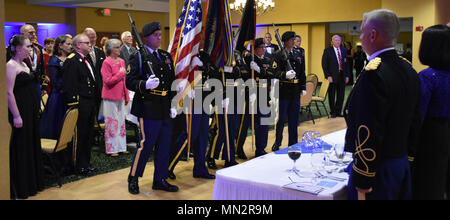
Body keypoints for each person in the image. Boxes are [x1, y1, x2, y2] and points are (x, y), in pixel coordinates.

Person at [344, 9, 421, 200]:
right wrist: (409, 158)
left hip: (378, 170)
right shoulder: (408, 69)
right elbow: (415, 120)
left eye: (362, 33)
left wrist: (363, 176)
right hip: (401, 163)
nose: (361, 37)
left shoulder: (374, 74)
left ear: (372, 34)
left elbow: (368, 128)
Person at [127, 22, 178, 194]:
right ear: (146, 37)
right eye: (156, 35)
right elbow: (129, 81)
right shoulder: (138, 56)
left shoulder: (165, 55)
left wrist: (173, 102)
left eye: (160, 34)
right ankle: (133, 178)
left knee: (164, 145)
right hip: (147, 106)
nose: (159, 37)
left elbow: (171, 80)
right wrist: (144, 84)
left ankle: (160, 179)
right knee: (146, 145)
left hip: (164, 106)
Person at [412, 24, 450, 200]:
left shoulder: (428, 76)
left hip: (430, 135)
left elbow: (418, 114)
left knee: (427, 182)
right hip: (446, 131)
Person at [168, 50, 216, 180]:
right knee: (189, 135)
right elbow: (179, 73)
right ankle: (168, 166)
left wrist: (202, 66)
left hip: (204, 98)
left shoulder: (204, 54)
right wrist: (187, 88)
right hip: (190, 99)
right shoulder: (187, 50)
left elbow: (213, 71)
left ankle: (200, 168)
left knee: (202, 136)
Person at [7, 35, 44, 199]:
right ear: (17, 48)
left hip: (31, 111)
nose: (31, 49)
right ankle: (22, 186)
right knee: (22, 147)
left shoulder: (24, 64)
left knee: (31, 144)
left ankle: (33, 182)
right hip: (20, 111)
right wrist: (16, 115)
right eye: (28, 46)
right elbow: (8, 92)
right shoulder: (10, 65)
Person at [63, 33, 102, 176]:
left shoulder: (86, 59)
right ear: (78, 45)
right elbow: (70, 84)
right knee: (80, 135)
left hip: (90, 102)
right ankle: (77, 165)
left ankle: (86, 163)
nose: (90, 44)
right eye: (87, 42)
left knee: (88, 135)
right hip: (80, 103)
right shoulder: (72, 60)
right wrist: (74, 105)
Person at [235, 38, 274, 158]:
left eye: (264, 47)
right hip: (249, 95)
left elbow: (271, 73)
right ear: (255, 49)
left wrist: (259, 69)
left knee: (263, 123)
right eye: (261, 47)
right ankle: (239, 148)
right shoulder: (247, 59)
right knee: (244, 124)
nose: (263, 49)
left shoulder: (268, 59)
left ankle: (260, 148)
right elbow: (243, 75)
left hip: (263, 95)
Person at [271, 31, 306, 150]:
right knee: (281, 119)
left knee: (294, 119)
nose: (294, 41)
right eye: (292, 40)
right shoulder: (278, 54)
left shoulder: (299, 52)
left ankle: (293, 143)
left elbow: (302, 72)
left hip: (295, 91)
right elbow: (274, 72)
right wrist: (284, 74)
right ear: (285, 41)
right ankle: (278, 142)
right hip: (284, 90)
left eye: (294, 39)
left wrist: (303, 87)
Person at [101, 39, 130, 157]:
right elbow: (107, 81)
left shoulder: (122, 61)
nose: (119, 49)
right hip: (110, 96)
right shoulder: (106, 62)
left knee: (121, 122)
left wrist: (126, 95)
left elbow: (124, 82)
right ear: (111, 49)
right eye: (117, 47)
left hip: (121, 95)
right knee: (111, 122)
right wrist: (120, 74)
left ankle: (122, 147)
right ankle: (112, 148)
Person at [41, 35, 73, 140]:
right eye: (68, 44)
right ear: (60, 45)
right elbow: (55, 82)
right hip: (59, 96)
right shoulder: (53, 60)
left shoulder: (71, 58)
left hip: (69, 94)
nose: (70, 46)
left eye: (71, 44)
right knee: (58, 123)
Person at [18, 24, 48, 105]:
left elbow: (42, 67)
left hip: (36, 83)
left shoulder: (38, 48)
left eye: (34, 33)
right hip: (22, 83)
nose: (34, 35)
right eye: (31, 33)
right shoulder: (17, 48)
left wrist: (44, 85)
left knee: (37, 108)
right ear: (23, 34)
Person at [321, 35, 350, 118]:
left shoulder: (344, 50)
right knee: (332, 94)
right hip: (332, 76)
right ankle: (333, 111)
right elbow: (324, 64)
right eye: (336, 40)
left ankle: (338, 111)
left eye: (339, 40)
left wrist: (347, 75)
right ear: (332, 42)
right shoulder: (327, 51)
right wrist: (328, 76)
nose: (338, 42)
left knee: (341, 94)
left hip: (342, 75)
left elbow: (346, 64)